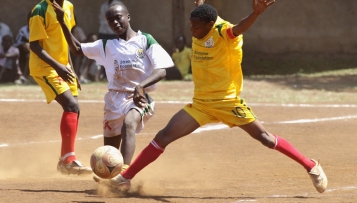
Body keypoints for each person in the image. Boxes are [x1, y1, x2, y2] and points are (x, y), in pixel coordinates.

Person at [98, 0, 328, 194]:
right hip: (201, 104)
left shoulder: (224, 32)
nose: (192, 31)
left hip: (228, 102)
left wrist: (256, 13)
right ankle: (126, 177)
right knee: (164, 135)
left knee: (266, 139)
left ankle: (311, 166)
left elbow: (239, 27)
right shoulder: (201, 21)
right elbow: (200, 6)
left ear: (210, 24)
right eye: (191, 25)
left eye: (196, 27)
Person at [53, 2, 174, 176]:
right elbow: (77, 48)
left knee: (129, 124)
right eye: (110, 21)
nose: (115, 23)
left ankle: (124, 174)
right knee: (109, 150)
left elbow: (161, 69)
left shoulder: (145, 40)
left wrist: (141, 86)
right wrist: (63, 22)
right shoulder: (106, 45)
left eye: (118, 18)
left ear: (128, 17)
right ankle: (111, 177)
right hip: (113, 101)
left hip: (138, 97)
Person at [29, 0, 92, 175]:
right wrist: (58, 67)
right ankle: (68, 160)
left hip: (63, 66)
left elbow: (66, 40)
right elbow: (34, 45)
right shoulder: (40, 10)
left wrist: (71, 69)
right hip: (44, 67)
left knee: (74, 110)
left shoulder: (68, 7)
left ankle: (65, 160)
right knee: (72, 106)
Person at [14, 12, 31, 84]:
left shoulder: (42, 29)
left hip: (40, 51)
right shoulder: (24, 30)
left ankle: (25, 77)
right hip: (24, 52)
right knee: (16, 53)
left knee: (30, 55)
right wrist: (24, 44)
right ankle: (21, 77)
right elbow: (17, 43)